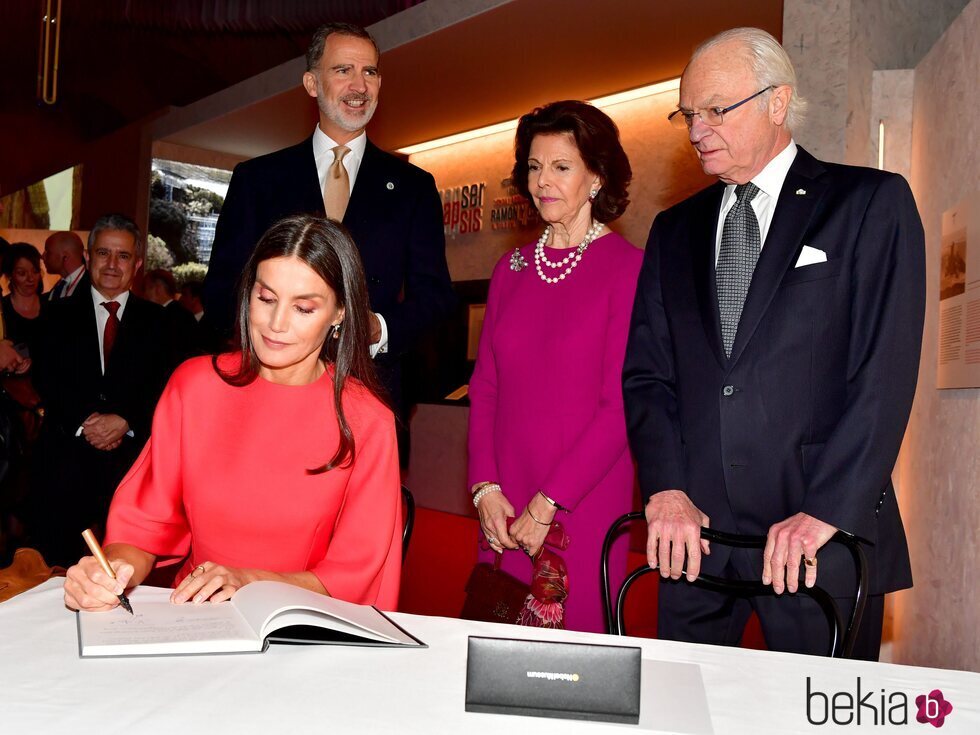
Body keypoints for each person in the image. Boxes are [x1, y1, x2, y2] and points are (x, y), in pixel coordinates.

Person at [622, 28, 925, 658]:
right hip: (694, 544)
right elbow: (649, 376)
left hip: (816, 540)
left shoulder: (869, 204)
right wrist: (666, 489)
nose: (697, 128)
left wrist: (828, 510)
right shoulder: (673, 230)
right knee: (684, 713)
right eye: (688, 114)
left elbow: (883, 376)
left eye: (716, 110)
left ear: (777, 103)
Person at [64, 215, 402, 612]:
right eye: (266, 298)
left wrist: (249, 581)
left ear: (340, 313)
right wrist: (110, 573)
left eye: (304, 308)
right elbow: (142, 526)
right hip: (197, 618)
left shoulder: (368, 420)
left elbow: (354, 576)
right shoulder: (194, 387)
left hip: (304, 635)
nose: (276, 325)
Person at [202, 21, 455, 455]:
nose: (360, 85)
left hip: (369, 397)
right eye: (344, 71)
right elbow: (223, 289)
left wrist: (379, 328)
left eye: (371, 72)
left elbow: (434, 296)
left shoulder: (413, 186)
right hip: (269, 396)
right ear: (311, 82)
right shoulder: (257, 180)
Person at [467, 101, 641, 633]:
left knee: (572, 669)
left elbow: (620, 407)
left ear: (597, 176)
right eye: (534, 166)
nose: (543, 180)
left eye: (561, 166)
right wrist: (484, 488)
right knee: (495, 655)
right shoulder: (510, 270)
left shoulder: (628, 268)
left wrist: (547, 505)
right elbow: (486, 389)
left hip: (581, 502)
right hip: (504, 501)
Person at [30, 214, 177, 567]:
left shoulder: (162, 324)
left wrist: (126, 419)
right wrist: (86, 420)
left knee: (126, 571)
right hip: (64, 458)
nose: (112, 265)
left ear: (137, 264)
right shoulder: (53, 315)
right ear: (87, 257)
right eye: (103, 254)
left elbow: (168, 387)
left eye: (123, 256)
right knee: (55, 569)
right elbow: (46, 379)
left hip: (133, 469)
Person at [143, 268, 203, 360]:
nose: (145, 295)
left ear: (157, 288)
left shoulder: (169, 317)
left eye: (146, 289)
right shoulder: (182, 314)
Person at [1, 242, 47, 353]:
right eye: (22, 273)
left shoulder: (52, 304)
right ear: (10, 275)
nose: (31, 279)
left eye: (35, 271)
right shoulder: (2, 309)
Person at [41, 231, 88, 300]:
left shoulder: (95, 288)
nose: (42, 256)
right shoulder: (60, 286)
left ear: (65, 257)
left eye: (48, 252)